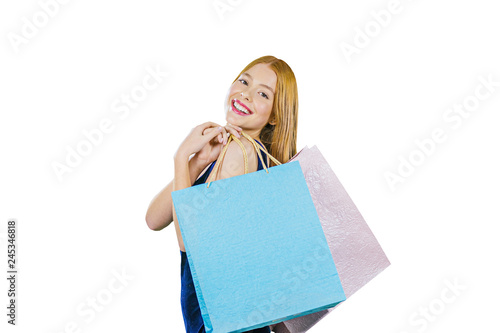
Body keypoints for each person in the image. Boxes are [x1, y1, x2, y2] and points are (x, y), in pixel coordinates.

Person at [145, 55, 299, 333]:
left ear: (275, 115)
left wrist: (181, 157)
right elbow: (154, 219)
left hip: (219, 322)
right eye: (244, 81)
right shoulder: (251, 158)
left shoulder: (239, 153)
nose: (246, 94)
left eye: (263, 93)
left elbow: (190, 243)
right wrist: (199, 161)